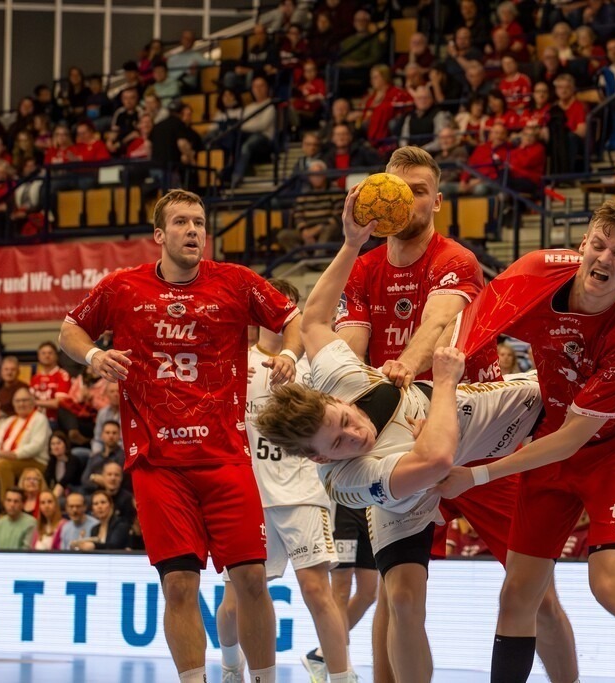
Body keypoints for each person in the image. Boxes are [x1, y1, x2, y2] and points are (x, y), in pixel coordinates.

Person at [255, 209, 576, 683]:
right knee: (401, 597)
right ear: (320, 458)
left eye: (345, 420)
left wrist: (349, 243)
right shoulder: (349, 478)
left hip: (490, 435)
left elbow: (316, 318)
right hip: (420, 465)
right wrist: (443, 382)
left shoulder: (339, 376)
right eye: (339, 442)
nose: (355, 434)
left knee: (539, 595)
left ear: (333, 399)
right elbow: (436, 461)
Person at [438, 200, 615, 683]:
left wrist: (476, 474)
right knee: (517, 595)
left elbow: (572, 439)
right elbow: (469, 327)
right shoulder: (537, 272)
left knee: (613, 588)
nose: (605, 259)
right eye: (599, 245)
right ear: (583, 245)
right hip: (555, 429)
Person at [58, 189, 303, 683]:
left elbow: (291, 318)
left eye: (199, 222)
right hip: (158, 463)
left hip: (225, 457)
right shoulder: (122, 287)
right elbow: (70, 330)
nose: (193, 230)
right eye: (181, 222)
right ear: (159, 234)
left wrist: (289, 355)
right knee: (177, 585)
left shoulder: (235, 281)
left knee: (252, 578)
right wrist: (95, 356)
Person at [215, 279, 355, 683]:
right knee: (234, 602)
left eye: (288, 305)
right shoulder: (235, 365)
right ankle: (230, 668)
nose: (280, 313)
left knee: (316, 590)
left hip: (303, 492)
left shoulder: (314, 367)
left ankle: (341, 677)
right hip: (250, 495)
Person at [0, 387, 51, 503]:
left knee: (3, 465)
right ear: (13, 404)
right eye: (18, 401)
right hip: (5, 458)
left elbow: (36, 446)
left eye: (25, 400)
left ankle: (7, 503)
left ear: (33, 402)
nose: (21, 404)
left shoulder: (40, 419)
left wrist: (15, 454)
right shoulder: (10, 420)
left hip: (34, 460)